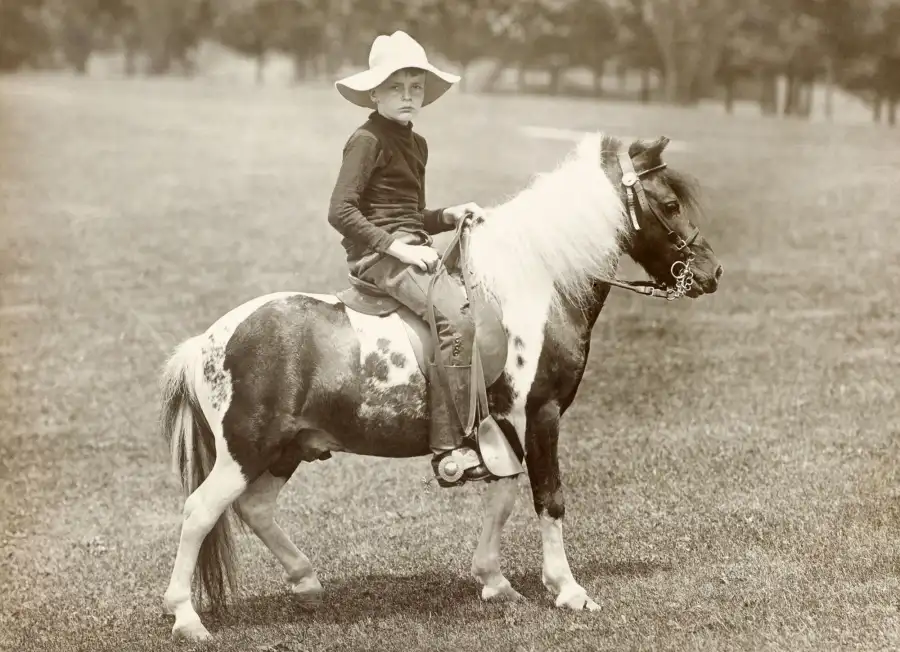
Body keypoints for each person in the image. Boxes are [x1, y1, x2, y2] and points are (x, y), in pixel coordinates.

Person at [328, 30, 491, 485]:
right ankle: (450, 448)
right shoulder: (366, 140)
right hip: (379, 258)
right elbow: (340, 210)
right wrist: (396, 248)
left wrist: (447, 215)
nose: (407, 96)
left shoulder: (417, 145)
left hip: (411, 249)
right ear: (374, 93)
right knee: (457, 320)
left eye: (415, 87)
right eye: (396, 87)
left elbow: (410, 214)